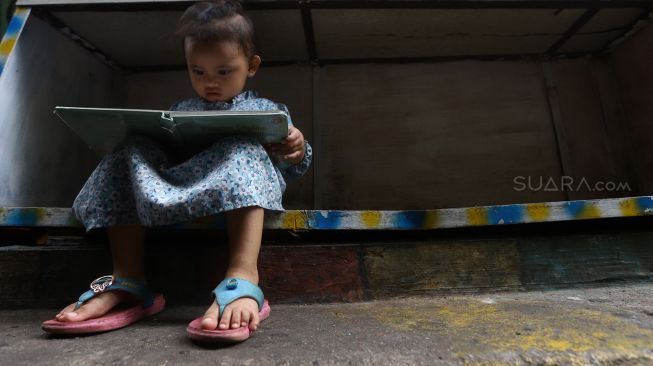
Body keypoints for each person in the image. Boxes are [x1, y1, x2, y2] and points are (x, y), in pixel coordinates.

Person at [41, 0, 312, 343]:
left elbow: (296, 162)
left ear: (252, 66)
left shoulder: (265, 110)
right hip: (179, 184)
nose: (209, 82)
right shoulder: (181, 109)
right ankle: (127, 278)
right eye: (197, 71)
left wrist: (296, 147)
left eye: (223, 71)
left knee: (242, 147)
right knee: (130, 150)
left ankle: (243, 276)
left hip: (237, 189)